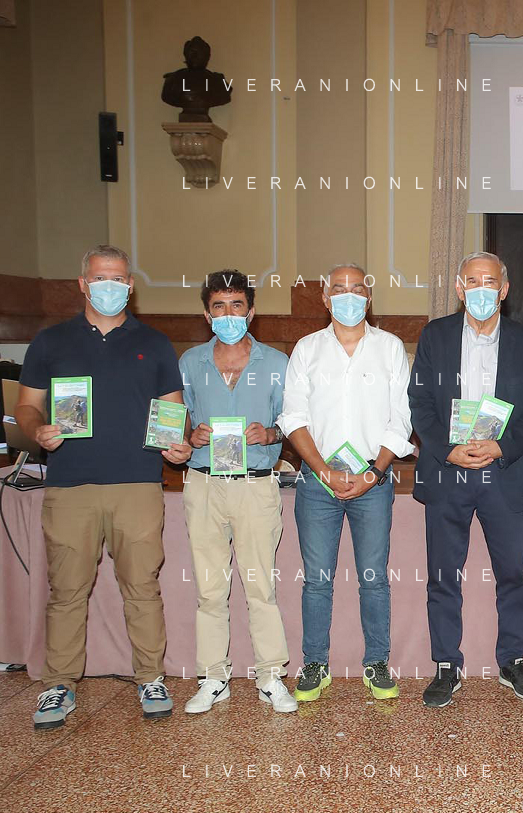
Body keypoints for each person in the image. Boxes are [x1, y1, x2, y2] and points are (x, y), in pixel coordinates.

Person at [17, 245, 192, 730]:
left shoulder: (155, 343)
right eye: (100, 278)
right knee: (66, 591)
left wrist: (177, 446)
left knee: (142, 588)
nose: (109, 286)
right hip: (70, 486)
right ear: (83, 283)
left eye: (118, 279)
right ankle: (59, 684)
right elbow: (26, 406)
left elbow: (172, 411)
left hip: (138, 484)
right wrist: (36, 431)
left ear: (130, 285)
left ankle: (151, 678)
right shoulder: (50, 342)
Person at [408, 252, 523, 708]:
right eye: (472, 281)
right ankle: (446, 664)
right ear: (459, 287)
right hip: (448, 470)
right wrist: (447, 449)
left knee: (513, 573)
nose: (481, 289)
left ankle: (513, 660)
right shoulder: (435, 336)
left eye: (490, 282)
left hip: (505, 472)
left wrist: (501, 446)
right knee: (443, 575)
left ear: (504, 290)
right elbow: (419, 404)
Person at [278, 263, 414, 703]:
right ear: (325, 297)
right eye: (339, 289)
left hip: (373, 480)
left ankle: (377, 663)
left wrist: (374, 472)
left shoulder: (390, 348)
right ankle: (315, 664)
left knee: (373, 579)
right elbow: (293, 417)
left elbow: (401, 418)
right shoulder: (307, 349)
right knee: (317, 580)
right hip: (317, 481)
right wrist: (323, 470)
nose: (349, 296)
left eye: (357, 288)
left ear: (368, 297)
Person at [179, 271, 296, 714]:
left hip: (255, 485)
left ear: (251, 311)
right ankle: (214, 677)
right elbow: (174, 420)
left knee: (260, 586)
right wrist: (190, 436)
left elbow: (294, 421)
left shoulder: (277, 363)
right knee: (210, 588)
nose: (228, 314)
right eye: (219, 306)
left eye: (236, 305)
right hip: (204, 483)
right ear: (206, 313)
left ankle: (270, 676)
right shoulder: (190, 362)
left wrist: (271, 434)